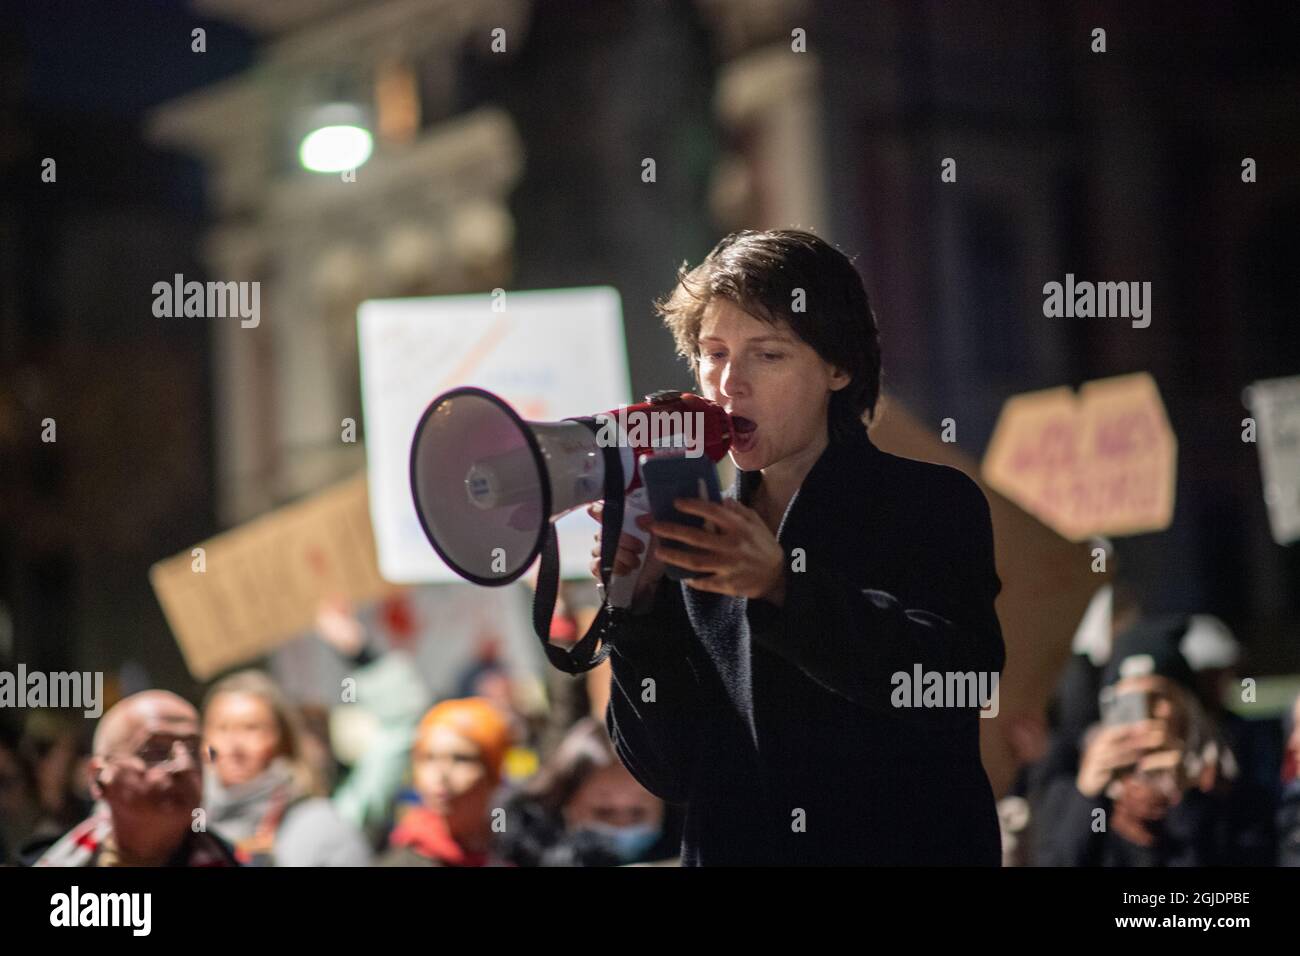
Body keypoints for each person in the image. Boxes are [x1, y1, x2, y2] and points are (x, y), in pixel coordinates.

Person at [592, 229, 1005, 865]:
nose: (730, 383)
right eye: (713, 353)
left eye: (769, 355)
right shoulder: (692, 524)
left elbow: (957, 680)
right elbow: (671, 772)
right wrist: (637, 605)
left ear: (838, 367)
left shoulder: (928, 502)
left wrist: (783, 590)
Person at [1034, 624, 1273, 866]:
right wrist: (1087, 797)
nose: (1145, 713)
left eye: (1158, 697)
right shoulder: (1069, 793)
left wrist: (1185, 798)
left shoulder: (1229, 793)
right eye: (1128, 702)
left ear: (1185, 707)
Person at [33, 690, 238, 867]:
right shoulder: (46, 860)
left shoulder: (236, 860)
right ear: (98, 778)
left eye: (194, 751)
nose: (184, 766)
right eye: (156, 751)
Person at [202, 670, 371, 866]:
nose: (234, 746)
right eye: (222, 728)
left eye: (251, 728)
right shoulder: (185, 826)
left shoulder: (320, 826)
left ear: (284, 741)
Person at [498, 717, 672, 866]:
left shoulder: (688, 849)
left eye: (637, 812)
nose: (623, 825)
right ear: (566, 804)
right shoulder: (519, 850)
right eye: (604, 812)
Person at [377, 697, 512, 866]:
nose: (442, 775)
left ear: (493, 775)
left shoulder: (523, 846)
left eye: (461, 759)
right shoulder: (404, 859)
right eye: (429, 758)